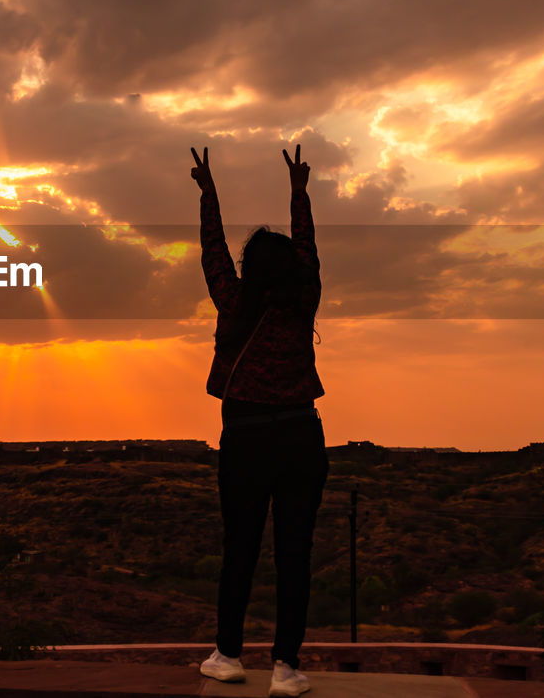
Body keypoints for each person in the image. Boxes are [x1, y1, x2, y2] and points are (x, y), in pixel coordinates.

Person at [190, 144, 328, 698]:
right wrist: (299, 191)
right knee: (294, 553)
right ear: (292, 268)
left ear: (249, 272)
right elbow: (309, 249)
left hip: (245, 437)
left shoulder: (233, 301)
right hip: (299, 433)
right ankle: (285, 667)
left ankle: (227, 654)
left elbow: (212, 251)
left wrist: (209, 192)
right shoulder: (303, 302)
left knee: (240, 548)